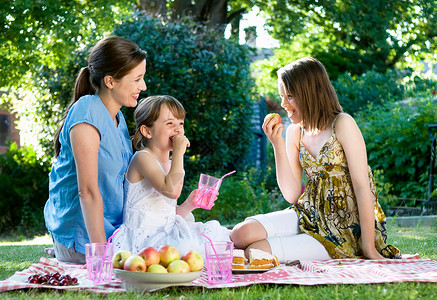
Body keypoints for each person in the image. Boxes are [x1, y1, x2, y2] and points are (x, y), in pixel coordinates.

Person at [230, 57, 401, 261]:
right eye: (282, 96)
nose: (283, 104)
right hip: (308, 214)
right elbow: (291, 194)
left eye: (290, 96)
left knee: (254, 252)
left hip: (341, 229)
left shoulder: (343, 124)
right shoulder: (295, 132)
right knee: (239, 235)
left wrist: (369, 248)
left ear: (309, 93)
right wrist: (276, 143)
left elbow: (362, 187)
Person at [44, 36, 147, 263]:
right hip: (84, 240)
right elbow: (87, 191)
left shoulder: (118, 117)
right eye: (137, 79)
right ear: (110, 81)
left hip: (114, 233)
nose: (144, 86)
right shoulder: (87, 113)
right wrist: (102, 257)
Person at [113, 95, 230, 257]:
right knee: (186, 247)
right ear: (147, 131)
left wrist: (189, 204)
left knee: (219, 235)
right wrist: (179, 154)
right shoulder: (143, 158)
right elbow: (171, 191)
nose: (178, 129)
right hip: (143, 240)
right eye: (169, 123)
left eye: (180, 123)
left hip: (165, 233)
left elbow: (166, 217)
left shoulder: (169, 164)